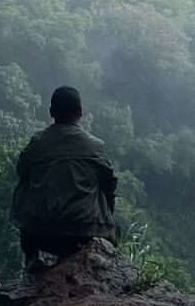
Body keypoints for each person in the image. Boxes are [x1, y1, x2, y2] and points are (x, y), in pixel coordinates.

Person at [12, 85, 117, 272]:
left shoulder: (37, 143)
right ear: (80, 112)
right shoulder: (96, 147)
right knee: (102, 188)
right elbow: (110, 186)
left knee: (24, 184)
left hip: (40, 232)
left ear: (51, 112)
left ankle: (32, 257)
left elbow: (22, 172)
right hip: (85, 233)